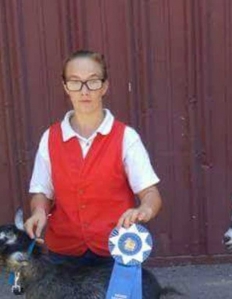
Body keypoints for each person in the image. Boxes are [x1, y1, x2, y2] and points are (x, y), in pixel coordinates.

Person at [25, 50, 162, 266]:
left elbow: (150, 192)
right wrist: (39, 211)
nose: (84, 91)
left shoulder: (126, 137)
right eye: (75, 82)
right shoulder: (50, 138)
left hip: (116, 249)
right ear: (65, 88)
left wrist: (145, 209)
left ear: (105, 86)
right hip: (63, 253)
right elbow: (42, 191)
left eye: (93, 81)